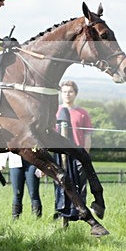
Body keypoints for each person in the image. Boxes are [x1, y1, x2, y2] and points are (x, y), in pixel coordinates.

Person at [54, 80, 93, 220]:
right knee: (61, 183)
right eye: (64, 92)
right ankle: (61, 212)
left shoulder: (82, 113)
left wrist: (85, 156)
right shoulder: (55, 111)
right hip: (60, 153)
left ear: (75, 94)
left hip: (78, 154)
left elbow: (88, 136)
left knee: (80, 184)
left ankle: (80, 213)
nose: (67, 94)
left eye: (70, 92)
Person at [0, 152, 42, 219]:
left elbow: (40, 146)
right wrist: (2, 161)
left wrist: (41, 167)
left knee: (34, 194)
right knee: (17, 194)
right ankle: (15, 219)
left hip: (32, 163)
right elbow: (6, 144)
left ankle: (37, 219)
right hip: (15, 163)